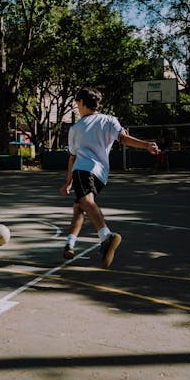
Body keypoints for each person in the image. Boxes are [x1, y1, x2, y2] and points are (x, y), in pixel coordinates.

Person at [60, 87, 160, 269]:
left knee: (86, 201)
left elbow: (73, 157)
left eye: (77, 103)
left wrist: (69, 181)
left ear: (81, 102)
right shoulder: (109, 120)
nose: (76, 106)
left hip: (83, 170)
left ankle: (106, 236)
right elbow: (123, 138)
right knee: (79, 206)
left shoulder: (75, 128)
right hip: (101, 175)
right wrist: (146, 145)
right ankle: (70, 244)